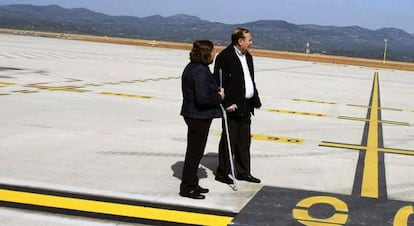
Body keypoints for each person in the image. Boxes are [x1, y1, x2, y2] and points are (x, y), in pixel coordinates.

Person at [213, 28, 262, 184]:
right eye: (249, 40)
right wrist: (226, 104)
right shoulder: (224, 57)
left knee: (244, 141)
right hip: (232, 107)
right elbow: (219, 83)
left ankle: (243, 172)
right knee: (229, 140)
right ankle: (223, 172)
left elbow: (249, 80)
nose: (251, 42)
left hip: (246, 105)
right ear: (240, 41)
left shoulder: (248, 57)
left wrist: (255, 98)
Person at [179, 40, 224, 199]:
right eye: (213, 52)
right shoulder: (200, 71)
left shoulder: (194, 68)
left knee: (196, 151)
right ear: (206, 53)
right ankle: (187, 187)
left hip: (194, 114)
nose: (214, 54)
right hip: (198, 115)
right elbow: (203, 98)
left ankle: (192, 182)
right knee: (194, 152)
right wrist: (218, 96)